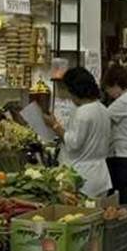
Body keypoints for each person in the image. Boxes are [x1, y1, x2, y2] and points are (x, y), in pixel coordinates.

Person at [45, 67, 112, 198]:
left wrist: (54, 125)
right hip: (101, 175)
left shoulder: (83, 112)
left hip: (83, 177)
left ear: (75, 91)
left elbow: (73, 143)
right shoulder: (103, 109)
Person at [102, 64, 127, 203]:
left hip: (122, 161)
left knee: (119, 205)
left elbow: (101, 119)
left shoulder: (123, 102)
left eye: (108, 88)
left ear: (116, 84)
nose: (108, 93)